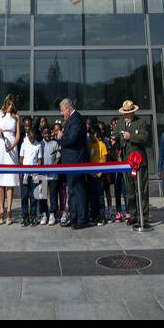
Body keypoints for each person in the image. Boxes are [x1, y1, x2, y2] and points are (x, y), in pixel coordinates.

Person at [114, 100, 151, 230]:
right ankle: (133, 215)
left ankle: (144, 217)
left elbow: (144, 137)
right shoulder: (120, 123)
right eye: (125, 113)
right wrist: (115, 141)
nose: (127, 115)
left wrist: (131, 137)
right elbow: (117, 138)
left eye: (129, 113)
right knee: (130, 191)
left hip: (139, 162)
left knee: (141, 190)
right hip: (125, 162)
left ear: (133, 112)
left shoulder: (140, 122)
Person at [59, 96, 89, 229]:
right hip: (69, 161)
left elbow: (71, 139)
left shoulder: (76, 119)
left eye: (62, 110)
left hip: (75, 161)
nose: (61, 113)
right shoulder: (72, 119)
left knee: (78, 189)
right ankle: (74, 217)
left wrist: (61, 137)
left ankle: (82, 219)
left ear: (68, 108)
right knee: (71, 190)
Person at [0, 94, 21, 224]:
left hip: (11, 150)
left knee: (10, 181)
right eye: (9, 104)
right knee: (0, 182)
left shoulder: (16, 117)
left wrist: (12, 147)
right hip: (0, 147)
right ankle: (1, 211)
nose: (10, 107)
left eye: (12, 105)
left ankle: (9, 211)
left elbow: (18, 135)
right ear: (6, 104)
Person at [19, 118, 43, 226]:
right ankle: (25, 216)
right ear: (28, 135)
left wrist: (38, 172)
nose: (32, 139)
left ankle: (33, 216)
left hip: (35, 174)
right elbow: (21, 158)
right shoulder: (24, 144)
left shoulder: (38, 145)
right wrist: (22, 170)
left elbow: (39, 160)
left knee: (34, 197)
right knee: (24, 196)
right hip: (25, 173)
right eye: (30, 137)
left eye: (33, 138)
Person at [87, 121, 108, 225]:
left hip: (99, 175)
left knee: (100, 196)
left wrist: (100, 172)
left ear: (95, 134)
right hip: (91, 175)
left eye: (91, 134)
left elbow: (104, 159)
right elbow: (88, 160)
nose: (90, 136)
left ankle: (102, 216)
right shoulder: (89, 145)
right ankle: (94, 216)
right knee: (92, 196)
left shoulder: (102, 145)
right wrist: (90, 173)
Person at [40, 123, 58, 225]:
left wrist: (52, 167)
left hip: (53, 175)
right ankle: (44, 214)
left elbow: (58, 157)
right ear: (42, 134)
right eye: (44, 133)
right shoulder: (39, 144)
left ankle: (52, 214)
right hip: (42, 175)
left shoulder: (55, 144)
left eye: (48, 133)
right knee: (42, 195)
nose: (46, 136)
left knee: (53, 195)